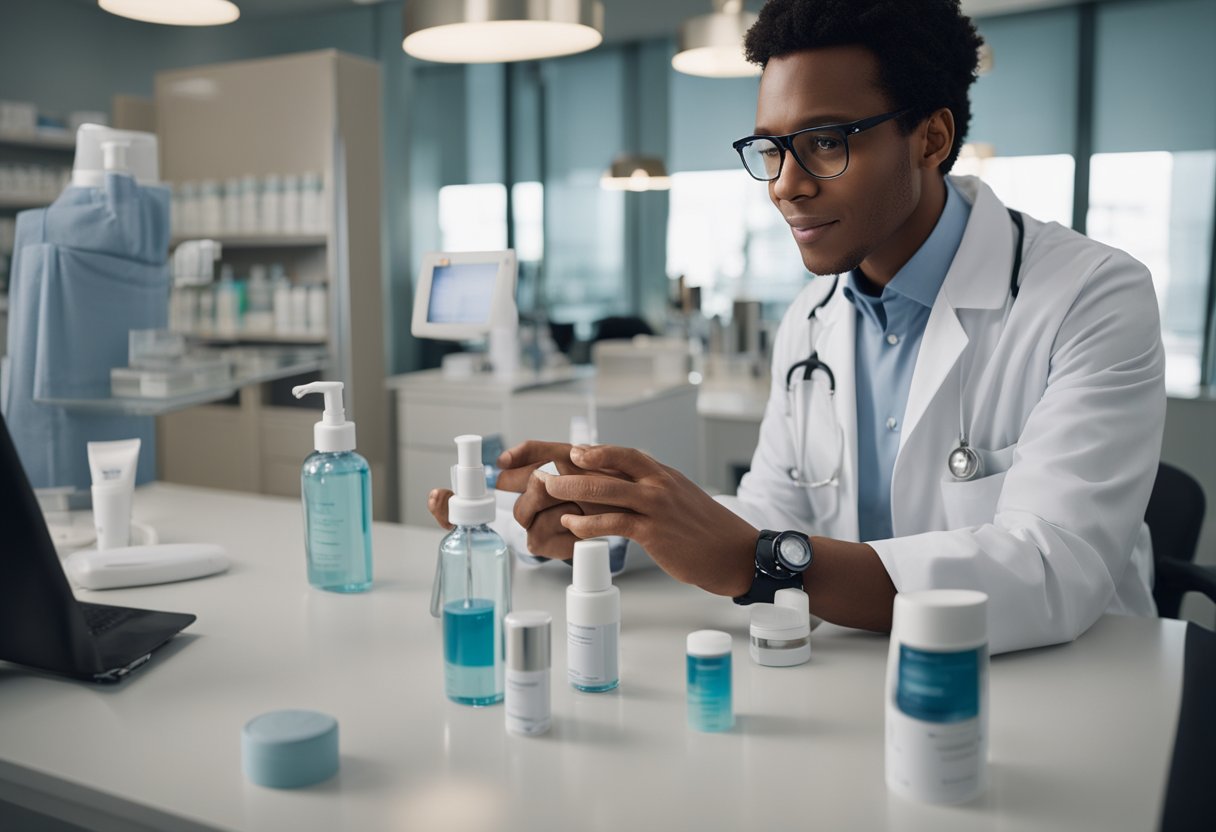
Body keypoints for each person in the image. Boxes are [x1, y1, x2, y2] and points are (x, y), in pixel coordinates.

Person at [429, 0, 1165, 655]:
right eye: (772, 148)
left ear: (931, 139)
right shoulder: (812, 320)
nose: (786, 182)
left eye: (826, 141)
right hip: (858, 676)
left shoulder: (1091, 296)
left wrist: (759, 563)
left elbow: (1048, 572)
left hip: (1070, 689)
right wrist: (624, 514)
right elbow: (776, 516)